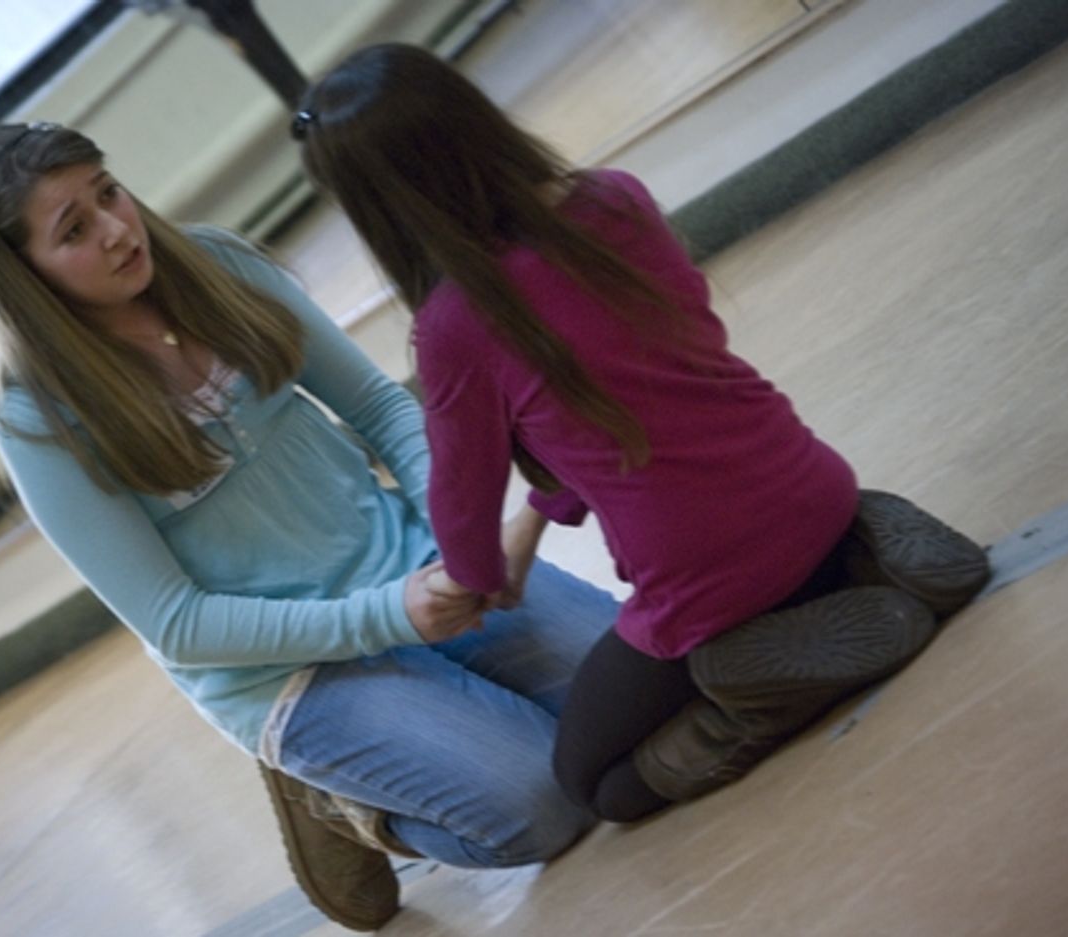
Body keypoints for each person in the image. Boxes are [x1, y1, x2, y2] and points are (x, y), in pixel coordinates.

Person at [0, 121, 628, 931]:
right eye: (75, 230)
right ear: (25, 278)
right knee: (542, 806)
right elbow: (176, 622)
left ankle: (429, 725)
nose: (119, 228)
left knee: (638, 701)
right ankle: (345, 807)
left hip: (410, 567)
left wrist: (457, 533)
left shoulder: (217, 264)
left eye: (108, 191)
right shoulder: (36, 423)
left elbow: (379, 406)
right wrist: (390, 615)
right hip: (289, 673)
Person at [292, 44, 992, 823]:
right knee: (775, 551)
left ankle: (768, 693)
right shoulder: (613, 199)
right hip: (812, 483)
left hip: (708, 578)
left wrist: (477, 572)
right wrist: (535, 527)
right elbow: (633, 398)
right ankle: (868, 547)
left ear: (382, 204)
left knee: (595, 782)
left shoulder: (457, 322)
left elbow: (462, 502)